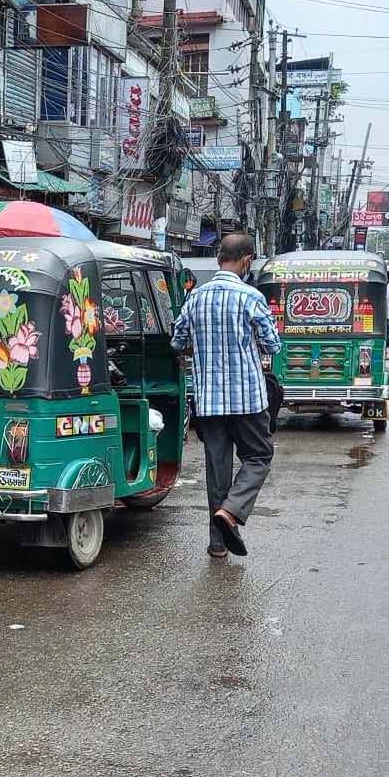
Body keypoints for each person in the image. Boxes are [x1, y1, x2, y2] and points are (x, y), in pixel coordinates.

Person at [170, 233, 281, 559]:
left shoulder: (196, 298)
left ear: (221, 258)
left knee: (217, 472)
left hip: (209, 402)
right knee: (258, 458)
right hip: (247, 399)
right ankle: (231, 512)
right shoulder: (251, 297)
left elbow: (178, 341)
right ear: (246, 260)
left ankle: (217, 544)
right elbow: (273, 344)